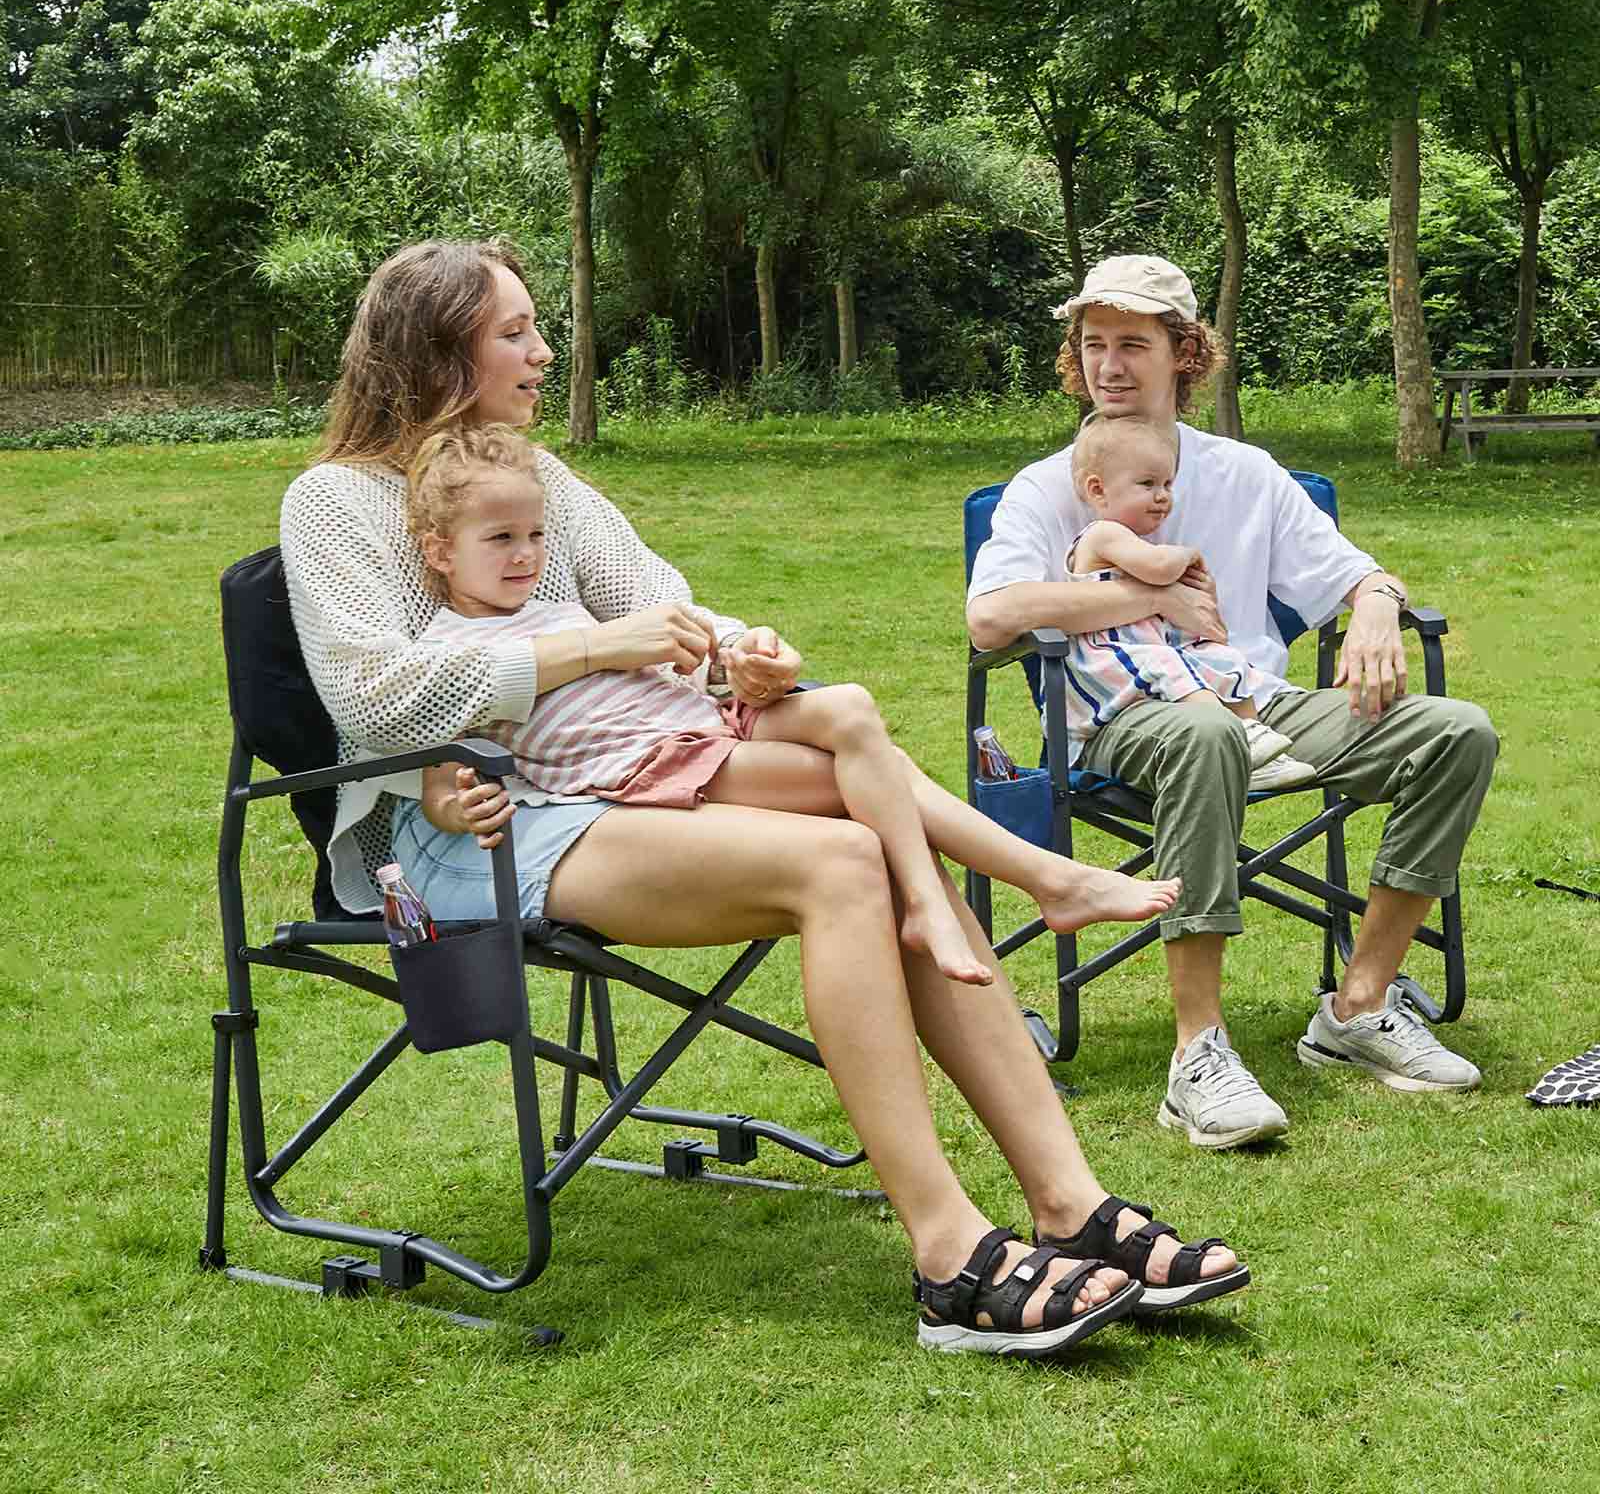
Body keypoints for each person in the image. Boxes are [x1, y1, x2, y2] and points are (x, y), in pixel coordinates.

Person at [280, 237, 1250, 1357]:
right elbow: (375, 698)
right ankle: (948, 1256)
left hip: (603, 770)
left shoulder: (539, 479)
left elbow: (664, 611)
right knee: (843, 855)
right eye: (515, 332)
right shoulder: (335, 502)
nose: (545, 350)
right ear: (437, 350)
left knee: (864, 801)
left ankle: (1068, 1202)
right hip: (468, 826)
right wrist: (590, 652)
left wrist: (739, 655)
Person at [967, 253, 1498, 1151]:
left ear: (1185, 352)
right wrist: (1151, 598)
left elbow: (1354, 572)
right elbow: (992, 619)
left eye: (1133, 343)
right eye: (1092, 344)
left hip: (1258, 699)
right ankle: (1197, 1055)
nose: (1109, 365)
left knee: (1455, 733)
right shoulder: (1053, 486)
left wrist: (1374, 608)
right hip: (1128, 721)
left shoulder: (1246, 474)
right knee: (1206, 734)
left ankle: (1360, 1004)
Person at [407, 420, 1182, 988]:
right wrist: (457, 810)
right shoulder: (453, 653)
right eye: (500, 537)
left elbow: (678, 657)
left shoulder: (558, 607)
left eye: (536, 534)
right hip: (654, 770)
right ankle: (1016, 886)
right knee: (855, 779)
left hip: (702, 723)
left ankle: (1021, 887)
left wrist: (738, 658)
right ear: (440, 550)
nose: (525, 554)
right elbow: (441, 781)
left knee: (849, 708)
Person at [1061, 411, 1317, 793]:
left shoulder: (1133, 540)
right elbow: (1159, 569)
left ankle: (1258, 743)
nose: (1163, 495)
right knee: (1168, 662)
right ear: (1097, 490)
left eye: (1167, 483)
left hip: (1147, 657)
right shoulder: (1102, 535)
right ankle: (1237, 739)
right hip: (1110, 663)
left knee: (1226, 659)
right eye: (1147, 484)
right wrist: (1187, 554)